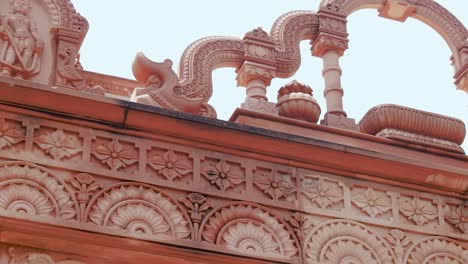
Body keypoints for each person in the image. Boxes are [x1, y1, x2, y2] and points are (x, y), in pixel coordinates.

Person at [0, 0, 43, 78]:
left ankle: (20, 73)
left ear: (28, 8)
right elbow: (4, 27)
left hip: (29, 40)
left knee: (26, 56)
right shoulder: (8, 16)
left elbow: (33, 32)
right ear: (13, 5)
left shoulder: (30, 20)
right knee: (11, 54)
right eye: (18, 3)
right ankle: (7, 69)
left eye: (24, 4)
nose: (21, 5)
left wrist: (39, 40)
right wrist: (4, 31)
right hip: (15, 38)